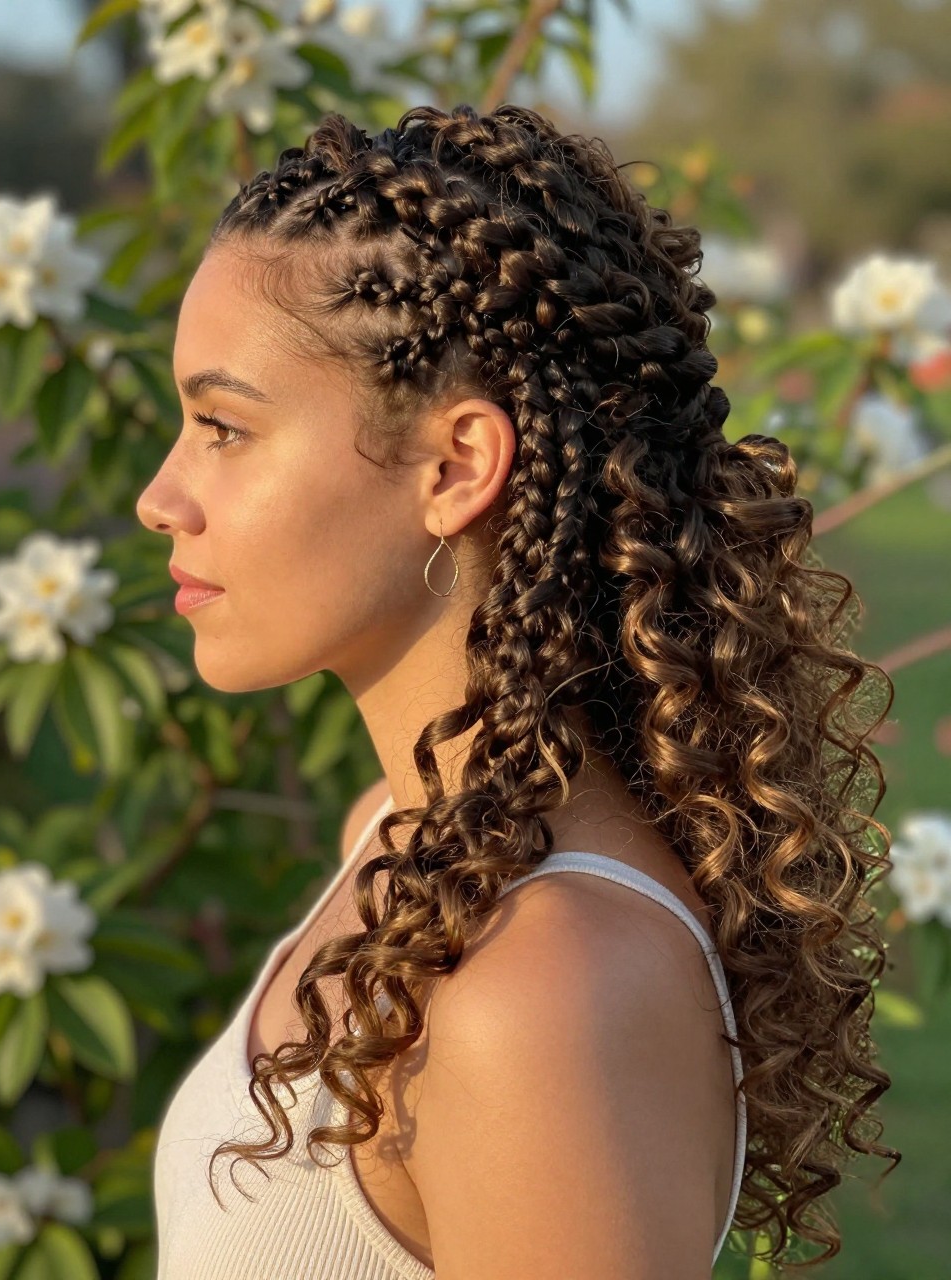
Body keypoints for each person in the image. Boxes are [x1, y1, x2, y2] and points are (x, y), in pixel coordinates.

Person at [136, 103, 898, 1279]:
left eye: (224, 427)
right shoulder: (398, 845)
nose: (160, 496)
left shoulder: (540, 986)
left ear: (457, 466)